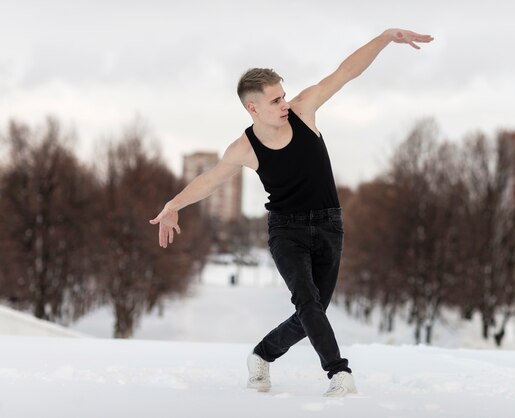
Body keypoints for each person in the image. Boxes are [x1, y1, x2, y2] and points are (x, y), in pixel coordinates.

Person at [149, 28, 433, 397]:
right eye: (275, 101)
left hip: (330, 224)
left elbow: (346, 72)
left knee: (311, 314)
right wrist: (173, 205)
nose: (284, 103)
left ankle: (262, 355)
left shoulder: (304, 110)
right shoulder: (244, 147)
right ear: (253, 108)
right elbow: (211, 180)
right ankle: (339, 374)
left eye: (283, 95)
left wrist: (385, 37)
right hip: (287, 231)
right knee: (308, 303)